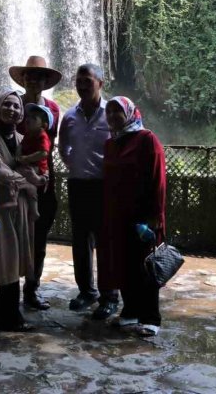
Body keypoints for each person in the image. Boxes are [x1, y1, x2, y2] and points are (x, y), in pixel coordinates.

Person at [98, 96, 167, 337]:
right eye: (109, 112)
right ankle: (130, 312)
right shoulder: (111, 143)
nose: (113, 116)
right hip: (118, 216)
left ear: (129, 113)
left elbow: (158, 178)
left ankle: (151, 318)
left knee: (146, 267)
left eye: (118, 111)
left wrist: (155, 215)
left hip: (144, 216)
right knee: (124, 263)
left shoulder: (146, 139)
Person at [0, 90, 45, 331]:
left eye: (17, 107)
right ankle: (9, 317)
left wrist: (38, 176)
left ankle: (2, 309)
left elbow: (33, 163)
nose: (12, 110)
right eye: (7, 104)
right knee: (7, 258)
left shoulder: (20, 138)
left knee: (15, 259)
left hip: (22, 206)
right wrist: (27, 181)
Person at [57, 63, 119, 319]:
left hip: (105, 186)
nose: (82, 85)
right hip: (78, 184)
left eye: (87, 81)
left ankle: (110, 296)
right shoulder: (70, 116)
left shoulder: (113, 114)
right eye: (78, 81)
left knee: (106, 242)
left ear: (100, 84)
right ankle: (87, 291)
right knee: (81, 241)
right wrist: (73, 163)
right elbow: (62, 147)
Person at [10, 56, 62, 311]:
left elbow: (48, 145)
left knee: (39, 240)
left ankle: (32, 289)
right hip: (14, 180)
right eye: (29, 75)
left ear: (45, 81)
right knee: (11, 236)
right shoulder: (13, 104)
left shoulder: (53, 108)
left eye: (39, 76)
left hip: (43, 182)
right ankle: (8, 292)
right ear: (23, 79)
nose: (33, 80)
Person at [16, 103, 53, 184]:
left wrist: (27, 158)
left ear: (43, 125)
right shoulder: (28, 133)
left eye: (34, 118)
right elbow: (21, 145)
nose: (28, 119)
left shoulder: (43, 136)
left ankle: (39, 180)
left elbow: (44, 153)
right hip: (28, 164)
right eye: (28, 116)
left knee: (21, 171)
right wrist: (18, 155)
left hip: (38, 167)